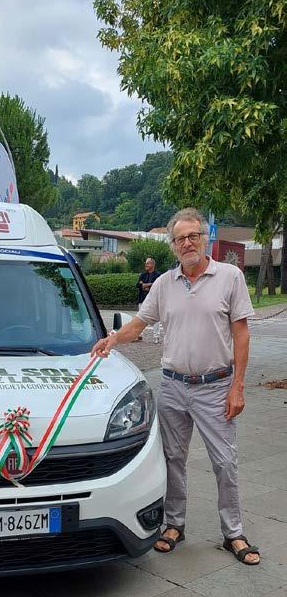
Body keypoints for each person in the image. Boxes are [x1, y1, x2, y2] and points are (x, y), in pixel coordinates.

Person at [92, 207, 260, 565]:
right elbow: (139, 324)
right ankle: (174, 525)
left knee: (225, 461)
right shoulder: (165, 284)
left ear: (205, 239)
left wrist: (238, 386)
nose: (187, 243)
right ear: (173, 245)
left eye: (193, 236)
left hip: (216, 386)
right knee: (172, 459)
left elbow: (242, 334)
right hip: (173, 387)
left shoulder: (229, 277)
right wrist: (113, 339)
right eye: (180, 238)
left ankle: (233, 532)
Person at [136, 257, 161, 342]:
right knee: (140, 317)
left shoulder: (158, 275)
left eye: (148, 263)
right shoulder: (142, 275)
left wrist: (145, 285)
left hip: (153, 299)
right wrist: (148, 285)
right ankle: (139, 335)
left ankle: (156, 336)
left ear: (153, 265)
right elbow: (138, 285)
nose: (146, 265)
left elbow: (156, 285)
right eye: (146, 263)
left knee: (155, 318)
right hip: (142, 299)